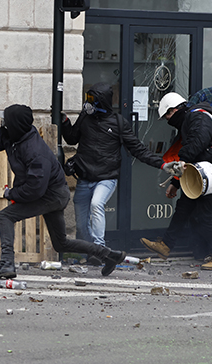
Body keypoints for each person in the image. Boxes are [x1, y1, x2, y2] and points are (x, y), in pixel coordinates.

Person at [0, 104, 127, 279]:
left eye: (5, 120)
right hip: (46, 192)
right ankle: (110, 255)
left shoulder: (35, 152)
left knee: (5, 216)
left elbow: (35, 189)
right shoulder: (10, 136)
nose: (2, 123)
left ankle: (7, 263)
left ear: (15, 125)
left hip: (53, 195)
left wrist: (12, 194)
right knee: (61, 244)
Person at [61, 83, 169, 262]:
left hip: (106, 177)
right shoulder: (85, 118)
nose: (88, 104)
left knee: (97, 205)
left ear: (101, 102)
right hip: (85, 177)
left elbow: (138, 149)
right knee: (81, 223)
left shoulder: (119, 123)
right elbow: (72, 138)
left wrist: (163, 165)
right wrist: (65, 122)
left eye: (92, 100)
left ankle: (100, 249)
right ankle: (91, 252)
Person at [140, 92, 212, 270]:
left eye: (168, 115)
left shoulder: (198, 117)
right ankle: (166, 246)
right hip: (207, 173)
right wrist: (176, 183)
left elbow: (197, 143)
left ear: (175, 110)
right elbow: (194, 153)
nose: (168, 119)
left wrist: (181, 159)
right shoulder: (192, 118)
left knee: (203, 215)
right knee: (183, 208)